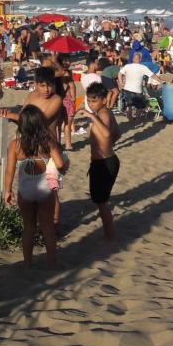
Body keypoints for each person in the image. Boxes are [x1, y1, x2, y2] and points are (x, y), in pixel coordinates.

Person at [2, 105, 66, 269]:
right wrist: (62, 169)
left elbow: (9, 171)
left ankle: (27, 263)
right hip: (45, 189)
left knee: (29, 227)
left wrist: (7, 191)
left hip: (26, 190)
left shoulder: (15, 145)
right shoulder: (47, 141)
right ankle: (52, 264)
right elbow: (59, 163)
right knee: (48, 228)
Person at [78, 83, 121, 242]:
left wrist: (92, 117)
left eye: (94, 101)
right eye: (88, 101)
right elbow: (118, 134)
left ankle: (109, 236)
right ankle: (109, 234)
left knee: (101, 203)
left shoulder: (102, 114)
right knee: (101, 201)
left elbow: (108, 133)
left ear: (104, 100)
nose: (90, 104)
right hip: (106, 161)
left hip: (104, 163)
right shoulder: (106, 113)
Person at [117, 52, 156, 121]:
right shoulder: (143, 67)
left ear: (133, 59)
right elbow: (152, 75)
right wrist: (161, 80)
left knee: (129, 106)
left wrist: (120, 83)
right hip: (137, 90)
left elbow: (120, 74)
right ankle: (137, 119)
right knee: (139, 106)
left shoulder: (127, 66)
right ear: (140, 59)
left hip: (127, 89)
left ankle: (130, 120)